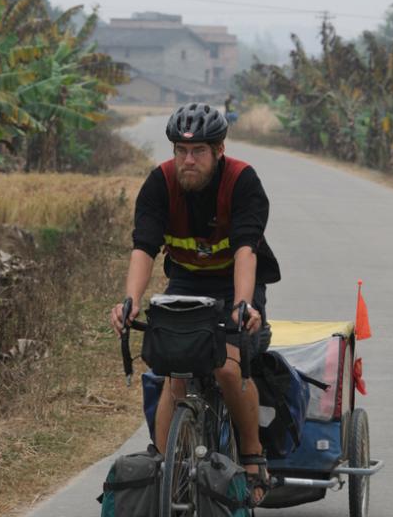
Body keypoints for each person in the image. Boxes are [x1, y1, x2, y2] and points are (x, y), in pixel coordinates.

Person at [110, 102, 281, 504]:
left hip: (235, 284)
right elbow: (144, 247)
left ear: (218, 150)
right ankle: (165, 470)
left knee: (226, 367)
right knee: (176, 368)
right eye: (181, 151)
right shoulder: (159, 183)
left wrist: (243, 306)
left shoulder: (242, 181)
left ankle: (254, 459)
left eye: (199, 151)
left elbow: (245, 250)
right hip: (185, 280)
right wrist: (130, 301)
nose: (188, 160)